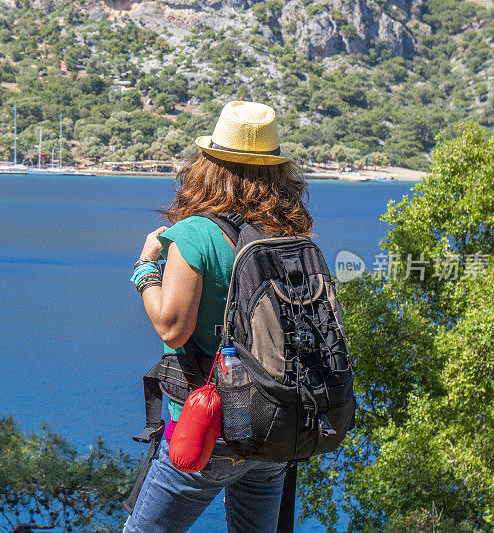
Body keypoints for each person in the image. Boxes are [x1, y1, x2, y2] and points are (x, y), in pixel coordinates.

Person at [125, 101, 315, 532]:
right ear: (276, 171)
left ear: (208, 163)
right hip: (274, 424)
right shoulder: (287, 233)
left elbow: (172, 329)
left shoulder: (196, 233)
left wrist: (144, 267)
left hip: (211, 427)